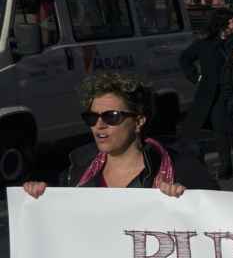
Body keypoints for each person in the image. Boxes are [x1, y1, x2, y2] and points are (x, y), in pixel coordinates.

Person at [22, 73, 216, 197]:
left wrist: (187, 201)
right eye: (91, 117)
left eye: (112, 117)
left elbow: (218, 222)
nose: (99, 125)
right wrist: (39, 196)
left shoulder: (183, 169)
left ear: (139, 121)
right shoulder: (76, 171)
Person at [178, 8, 233, 179]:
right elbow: (185, 58)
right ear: (223, 24)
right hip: (215, 94)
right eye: (232, 21)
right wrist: (196, 77)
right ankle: (224, 166)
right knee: (220, 131)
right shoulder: (205, 43)